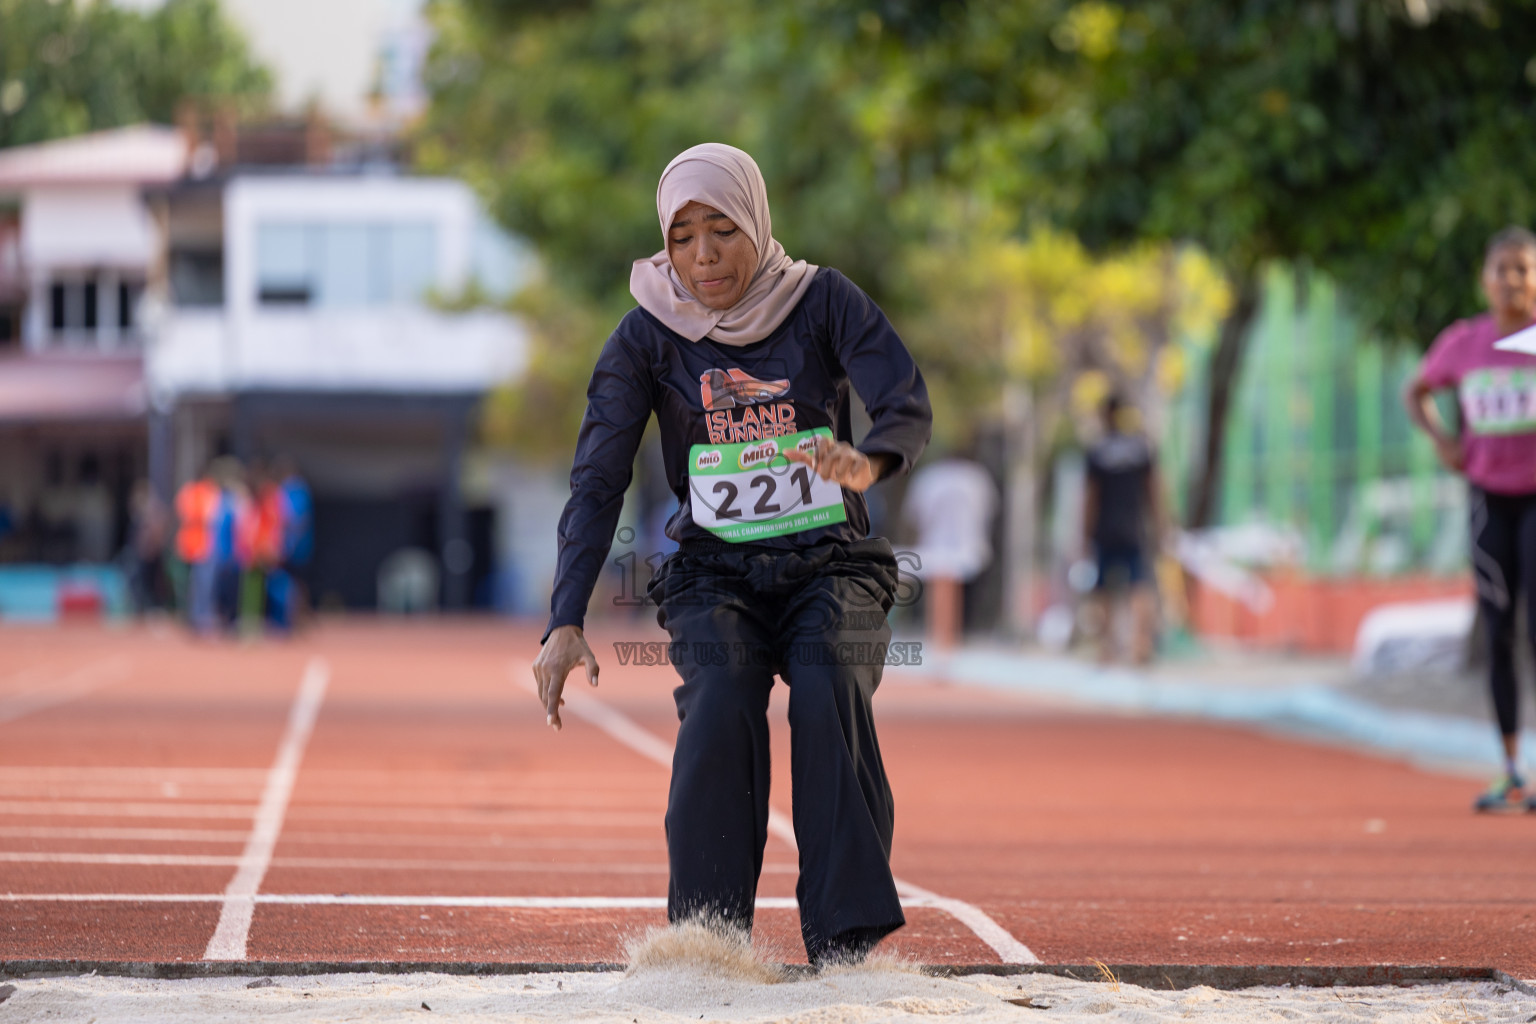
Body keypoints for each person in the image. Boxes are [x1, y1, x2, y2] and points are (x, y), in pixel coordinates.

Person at [531, 143, 931, 966]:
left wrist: (870, 461)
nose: (704, 255)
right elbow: (599, 479)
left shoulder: (823, 301)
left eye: (722, 230)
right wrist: (564, 617)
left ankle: (846, 949)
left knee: (827, 690)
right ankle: (707, 945)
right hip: (716, 572)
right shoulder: (646, 336)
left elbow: (902, 398)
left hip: (833, 566)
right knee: (720, 701)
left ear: (756, 222)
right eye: (683, 236)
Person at [1405, 226, 1536, 813]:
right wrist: (1443, 442)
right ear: (1484, 280)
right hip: (1488, 499)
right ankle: (1511, 768)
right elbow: (1418, 391)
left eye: (1523, 268)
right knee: (1499, 630)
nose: (1511, 279)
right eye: (1501, 268)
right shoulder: (1464, 343)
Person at [1082, 392, 1167, 664]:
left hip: (1106, 527)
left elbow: (1090, 496)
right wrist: (1161, 525)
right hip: (1135, 527)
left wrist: (1084, 532)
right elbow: (1154, 491)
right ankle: (1139, 646)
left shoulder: (1098, 451)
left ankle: (1106, 649)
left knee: (1104, 588)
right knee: (1139, 584)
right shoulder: (1141, 448)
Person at [902, 449, 998, 648]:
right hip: (962, 545)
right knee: (946, 589)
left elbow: (916, 516)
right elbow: (988, 512)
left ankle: (941, 640)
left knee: (942, 589)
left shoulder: (930, 477)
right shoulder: (975, 478)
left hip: (941, 544)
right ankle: (944, 641)